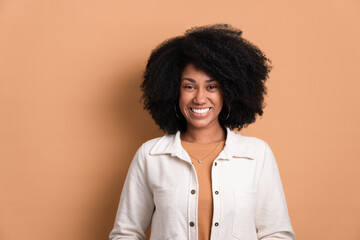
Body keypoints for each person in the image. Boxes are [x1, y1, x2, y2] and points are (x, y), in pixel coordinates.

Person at [109, 24, 295, 240]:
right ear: (173, 91)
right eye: (189, 86)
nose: (199, 98)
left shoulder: (256, 155)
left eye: (211, 87)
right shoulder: (150, 156)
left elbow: (277, 234)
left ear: (229, 91)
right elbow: (126, 233)